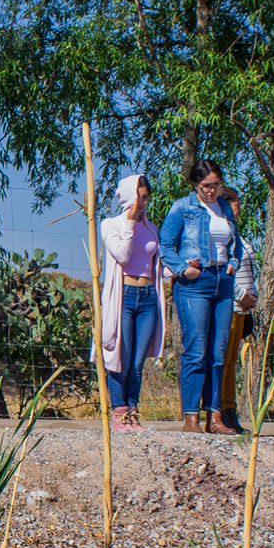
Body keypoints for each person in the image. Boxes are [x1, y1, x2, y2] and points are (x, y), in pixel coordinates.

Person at [159, 159, 253, 434]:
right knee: (196, 351)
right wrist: (181, 269)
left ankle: (215, 417)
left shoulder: (224, 208)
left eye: (216, 186)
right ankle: (191, 418)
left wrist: (233, 262)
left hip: (223, 282)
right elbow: (165, 244)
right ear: (194, 184)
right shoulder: (182, 208)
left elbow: (233, 241)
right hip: (194, 283)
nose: (212, 191)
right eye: (206, 186)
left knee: (218, 352)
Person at [95, 173, 165, 431]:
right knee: (119, 356)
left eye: (146, 198)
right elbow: (123, 256)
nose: (143, 203)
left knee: (137, 360)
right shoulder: (111, 225)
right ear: (127, 197)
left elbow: (156, 262)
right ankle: (119, 410)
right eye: (139, 197)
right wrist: (130, 222)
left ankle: (133, 409)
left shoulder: (152, 228)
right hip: (123, 295)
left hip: (148, 296)